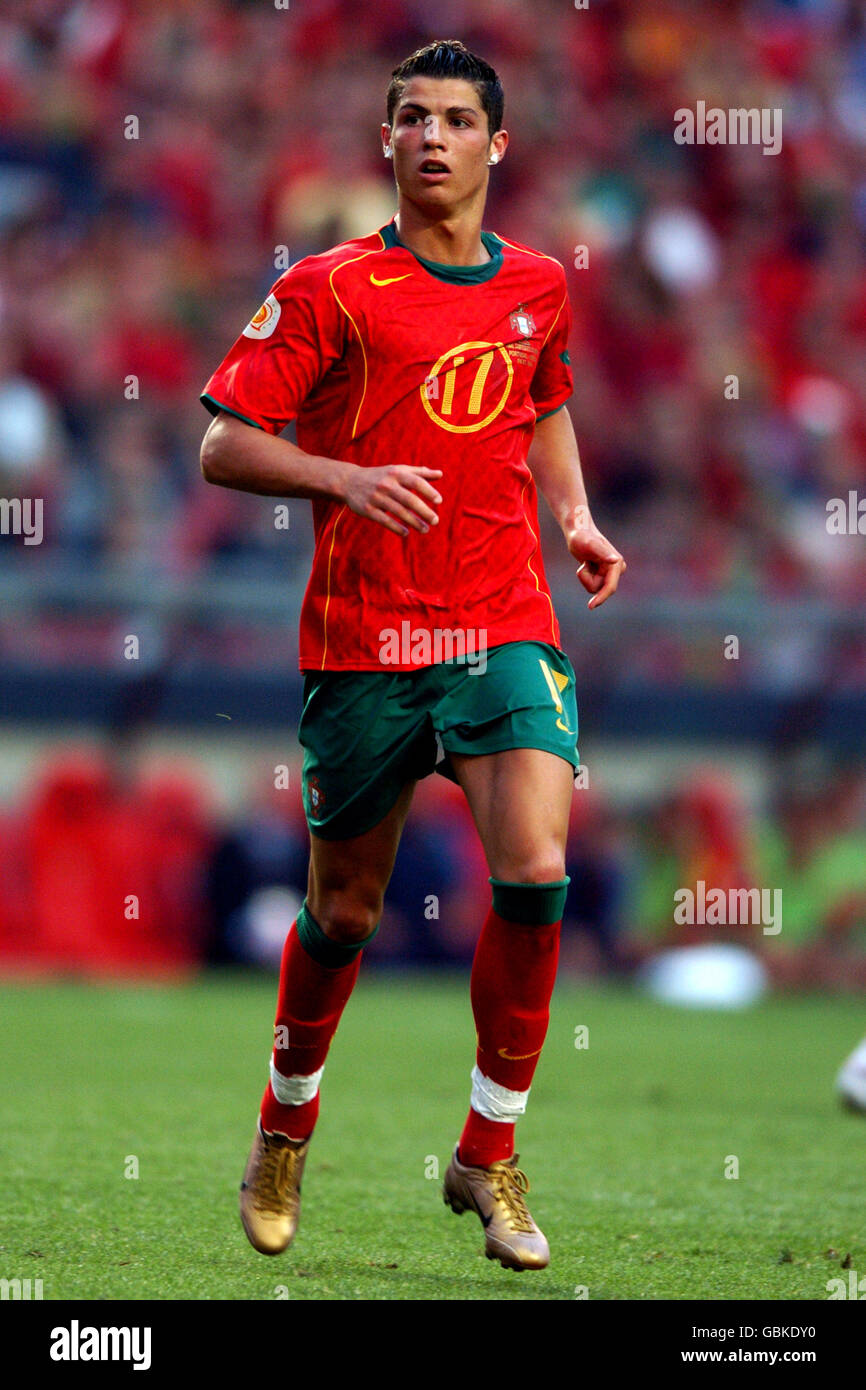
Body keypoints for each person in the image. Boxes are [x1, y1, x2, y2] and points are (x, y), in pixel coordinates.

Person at [199, 39, 626, 1272]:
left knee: (536, 868)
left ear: (497, 145)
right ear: (384, 142)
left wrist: (575, 515)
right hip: (365, 637)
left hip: (499, 620)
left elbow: (539, 399)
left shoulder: (539, 282)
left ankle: (487, 1150)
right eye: (408, 118)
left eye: (452, 119)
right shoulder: (330, 286)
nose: (429, 138)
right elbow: (226, 443)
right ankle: (284, 1131)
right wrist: (338, 474)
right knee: (344, 909)